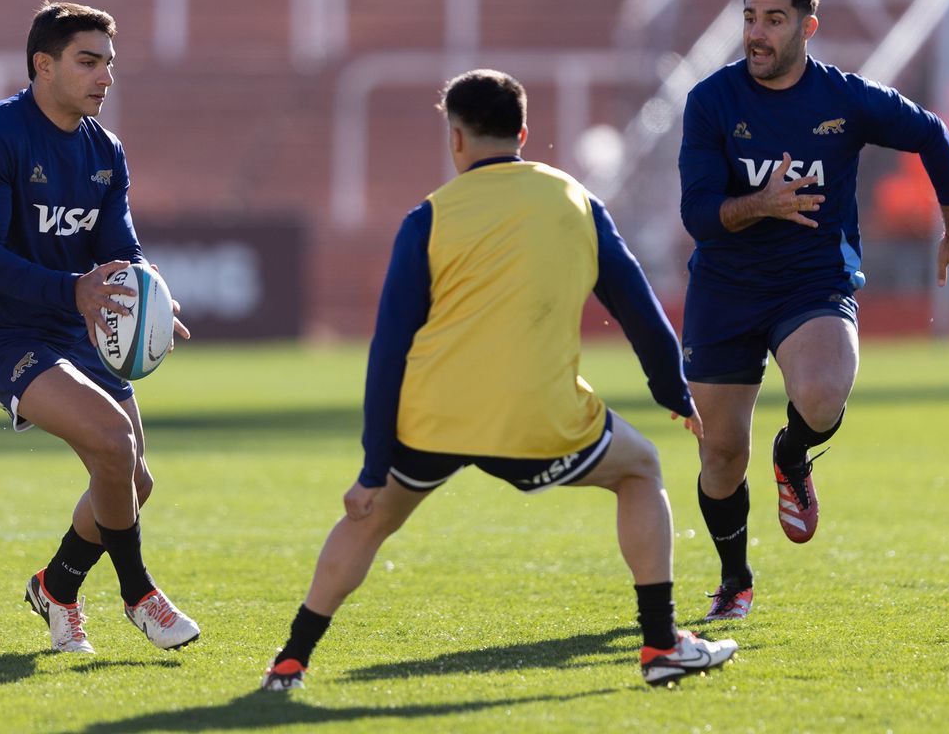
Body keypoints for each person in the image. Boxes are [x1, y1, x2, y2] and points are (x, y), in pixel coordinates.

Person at [261, 68, 737, 692]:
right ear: (524, 134)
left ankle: (291, 660)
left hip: (436, 416)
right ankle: (660, 645)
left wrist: (374, 467)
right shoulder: (574, 200)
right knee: (640, 468)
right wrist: (674, 394)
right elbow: (640, 312)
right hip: (538, 416)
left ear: (455, 138)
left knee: (369, 518)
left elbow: (389, 351)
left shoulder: (429, 217)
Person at [678, 0, 949, 621]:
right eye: (750, 18)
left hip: (812, 282)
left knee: (820, 395)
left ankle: (792, 452)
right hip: (725, 289)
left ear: (807, 27)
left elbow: (931, 133)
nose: (757, 33)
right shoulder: (711, 101)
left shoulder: (844, 98)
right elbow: (698, 215)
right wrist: (761, 204)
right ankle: (735, 582)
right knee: (721, 453)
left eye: (774, 20)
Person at [0, 0, 200, 653]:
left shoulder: (104, 151)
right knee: (114, 442)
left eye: (109, 63)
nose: (105, 77)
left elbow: (121, 248)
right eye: (88, 62)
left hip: (71, 325)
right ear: (44, 65)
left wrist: (149, 290)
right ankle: (139, 594)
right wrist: (74, 289)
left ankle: (56, 586)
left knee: (133, 480)